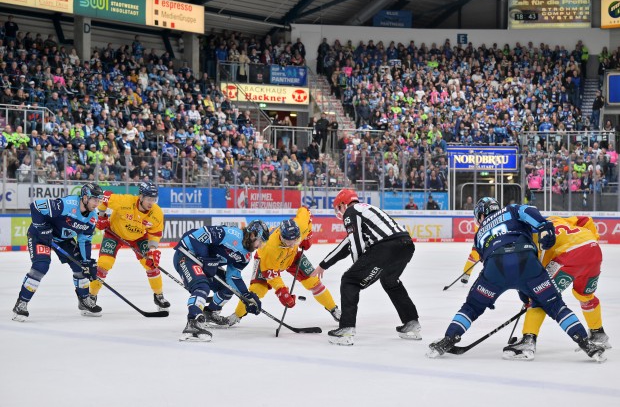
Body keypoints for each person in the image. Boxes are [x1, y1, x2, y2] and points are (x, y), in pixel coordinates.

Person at [427, 197, 606, 362]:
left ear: (481, 215)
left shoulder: (479, 233)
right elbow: (530, 212)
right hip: (528, 261)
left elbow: (486, 260)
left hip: (495, 269)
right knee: (555, 305)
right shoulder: (511, 210)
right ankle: (585, 342)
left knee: (471, 307)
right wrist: (543, 225)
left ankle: (448, 339)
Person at [311, 189, 420, 345]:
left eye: (338, 208)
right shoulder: (367, 209)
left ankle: (346, 329)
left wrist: (357, 268)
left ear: (343, 204)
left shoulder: (351, 211)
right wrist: (323, 264)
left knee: (349, 281)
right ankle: (412, 322)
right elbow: (347, 244)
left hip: (386, 248)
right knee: (390, 281)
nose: (340, 212)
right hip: (406, 245)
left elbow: (355, 242)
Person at [502, 215, 611, 359]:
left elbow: (538, 274)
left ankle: (528, 340)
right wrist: (592, 240)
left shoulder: (530, 241)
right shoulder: (554, 219)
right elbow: (586, 220)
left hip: (571, 253)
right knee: (585, 296)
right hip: (593, 250)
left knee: (540, 296)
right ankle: (598, 334)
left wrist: (528, 296)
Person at [228, 207, 341, 326]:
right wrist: (282, 292)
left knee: (313, 282)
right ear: (281, 237)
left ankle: (333, 309)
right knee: (257, 289)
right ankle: (236, 315)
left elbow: (305, 211)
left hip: (292, 257)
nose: (292, 244)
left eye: (296, 240)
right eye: (289, 242)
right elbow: (271, 274)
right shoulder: (269, 249)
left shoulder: (300, 226)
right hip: (266, 262)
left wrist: (308, 235)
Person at [12, 183, 104, 321]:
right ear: (85, 197)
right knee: (41, 266)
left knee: (81, 266)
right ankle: (21, 303)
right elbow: (36, 207)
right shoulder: (67, 204)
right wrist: (42, 228)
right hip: (41, 236)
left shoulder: (92, 218)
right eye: (94, 199)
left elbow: (84, 240)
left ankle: (84, 301)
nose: (97, 203)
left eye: (99, 199)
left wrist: (86, 261)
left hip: (62, 239)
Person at [173, 220, 269, 341]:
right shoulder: (231, 234)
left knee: (228, 288)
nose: (259, 246)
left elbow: (233, 277)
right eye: (260, 241)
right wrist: (206, 258)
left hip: (204, 263)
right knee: (202, 287)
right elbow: (197, 236)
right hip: (187, 255)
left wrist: (246, 296)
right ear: (252, 234)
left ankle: (210, 312)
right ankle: (193, 321)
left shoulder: (245, 256)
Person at [90, 182, 168, 311]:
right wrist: (102, 216)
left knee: (151, 264)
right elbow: (105, 196)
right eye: (149, 199)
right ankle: (90, 297)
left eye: (154, 200)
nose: (151, 203)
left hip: (139, 238)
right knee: (104, 264)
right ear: (141, 197)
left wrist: (152, 251)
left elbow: (155, 234)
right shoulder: (125, 201)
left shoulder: (157, 213)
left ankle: (158, 295)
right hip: (114, 233)